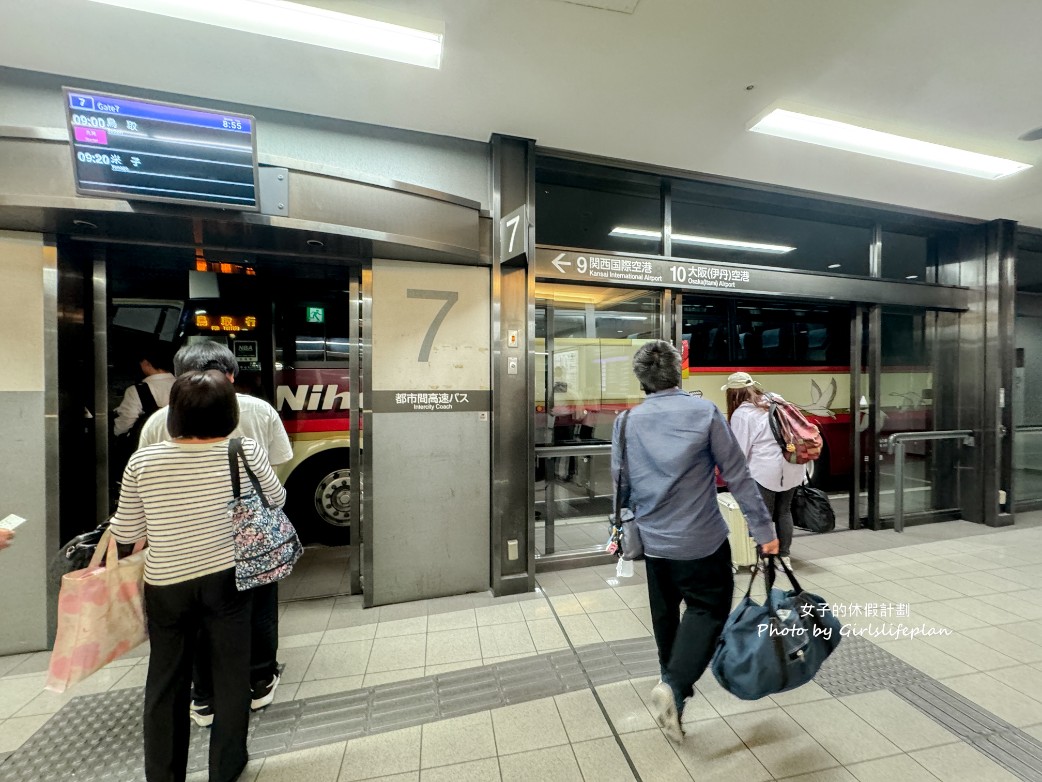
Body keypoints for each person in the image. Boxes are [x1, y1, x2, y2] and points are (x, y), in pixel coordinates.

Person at [110, 370, 286, 782]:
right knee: (230, 672)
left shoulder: (144, 460)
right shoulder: (242, 451)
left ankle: (164, 772)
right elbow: (277, 499)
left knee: (167, 677)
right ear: (229, 411)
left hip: (166, 582)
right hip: (228, 578)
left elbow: (126, 532)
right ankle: (226, 765)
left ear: (176, 414)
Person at [612, 341, 778, 744]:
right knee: (709, 608)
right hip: (702, 540)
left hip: (654, 543)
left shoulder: (627, 422)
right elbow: (737, 475)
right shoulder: (704, 413)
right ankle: (674, 686)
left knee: (666, 616)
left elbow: (621, 484)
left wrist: (617, 530)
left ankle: (674, 692)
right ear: (679, 372)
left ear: (641, 380)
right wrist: (764, 531)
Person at [138, 341, 293, 726]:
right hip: (249, 537)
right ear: (233, 375)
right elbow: (277, 476)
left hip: (179, 544)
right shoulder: (258, 411)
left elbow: (142, 493)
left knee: (194, 622)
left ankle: (204, 697)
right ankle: (259, 680)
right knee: (256, 607)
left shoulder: (159, 422)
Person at [724, 371, 806, 571]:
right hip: (792, 464)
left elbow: (740, 452)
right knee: (784, 511)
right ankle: (784, 558)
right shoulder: (776, 400)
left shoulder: (742, 414)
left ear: (733, 394)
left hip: (765, 472)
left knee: (764, 516)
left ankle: (765, 560)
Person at [113, 346, 176, 442]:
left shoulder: (137, 390)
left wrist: (116, 434)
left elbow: (125, 422)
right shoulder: (185, 384)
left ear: (146, 363)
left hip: (151, 445)